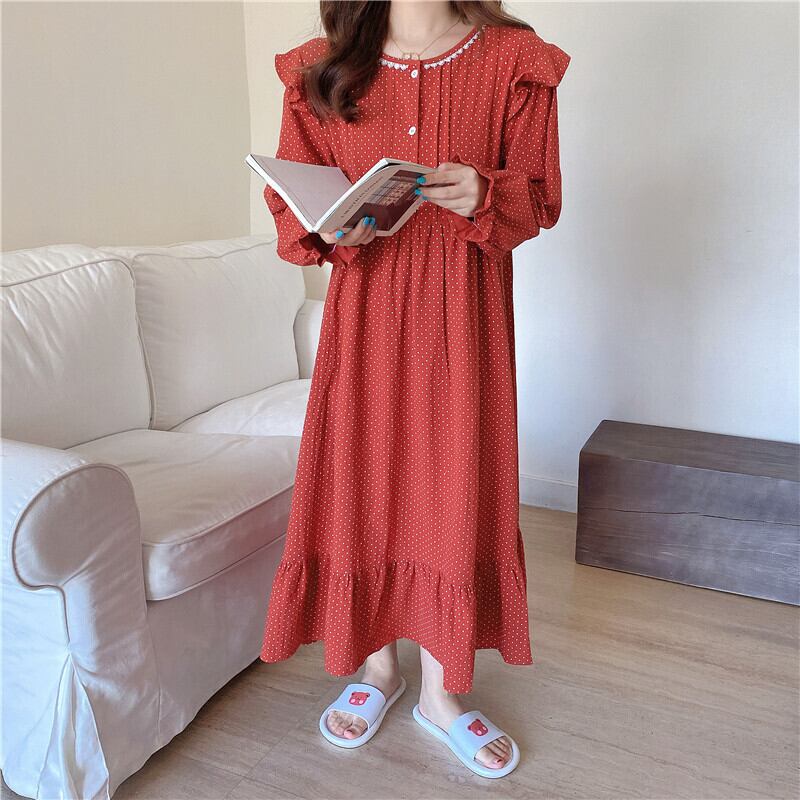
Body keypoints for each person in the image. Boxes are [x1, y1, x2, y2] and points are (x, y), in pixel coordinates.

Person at [259, 0, 570, 778]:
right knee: (365, 482)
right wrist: (331, 227)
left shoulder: (514, 61)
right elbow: (296, 207)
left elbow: (539, 197)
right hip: (365, 314)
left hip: (464, 316)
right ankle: (378, 670)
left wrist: (485, 192)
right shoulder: (320, 67)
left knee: (452, 488)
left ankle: (441, 692)